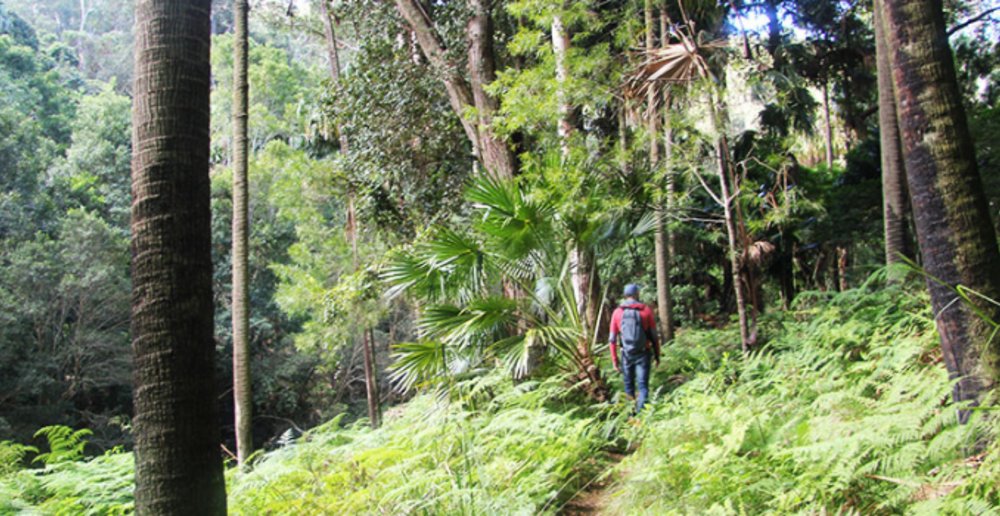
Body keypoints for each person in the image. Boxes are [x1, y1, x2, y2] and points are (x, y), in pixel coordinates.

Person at [608, 284, 660, 412]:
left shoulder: (617, 313)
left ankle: (631, 416)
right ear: (637, 294)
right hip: (643, 354)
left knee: (628, 387)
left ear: (625, 295)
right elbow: (654, 336)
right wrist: (657, 355)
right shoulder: (645, 311)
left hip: (626, 355)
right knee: (642, 386)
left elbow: (612, 339)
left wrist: (614, 360)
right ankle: (641, 415)